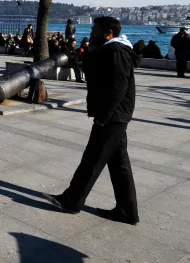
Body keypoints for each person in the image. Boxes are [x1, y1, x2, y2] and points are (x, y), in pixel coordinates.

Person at [43, 16, 138, 225]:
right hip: (114, 115)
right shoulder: (108, 50)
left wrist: (104, 116)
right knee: (119, 164)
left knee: (92, 159)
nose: (91, 32)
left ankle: (72, 200)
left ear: (109, 34)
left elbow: (118, 88)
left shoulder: (117, 51)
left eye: (95, 29)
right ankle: (127, 211)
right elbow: (96, 73)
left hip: (112, 116)